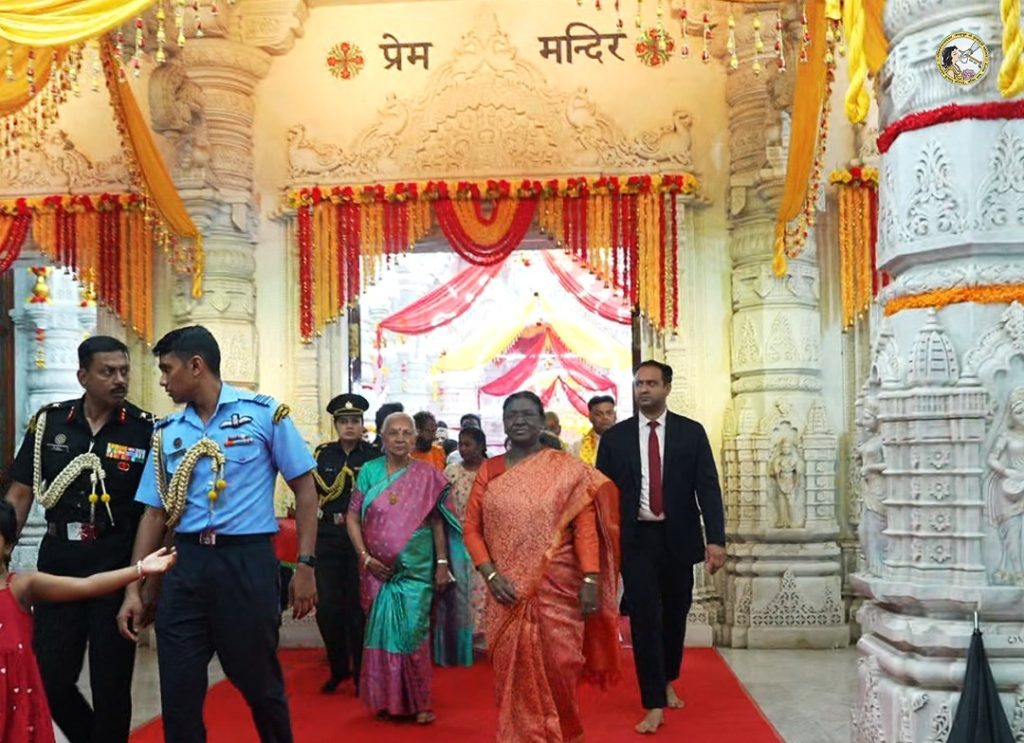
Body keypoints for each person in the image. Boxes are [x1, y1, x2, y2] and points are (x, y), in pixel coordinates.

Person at [116, 325, 319, 743]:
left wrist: (305, 564)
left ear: (196, 366)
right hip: (187, 565)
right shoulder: (167, 432)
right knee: (179, 693)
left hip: (246, 564)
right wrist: (136, 587)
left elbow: (306, 493)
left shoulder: (265, 415)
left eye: (167, 369)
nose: (162, 379)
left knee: (259, 684)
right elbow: (155, 515)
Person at [4, 335, 154, 743]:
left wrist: (141, 585)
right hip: (60, 561)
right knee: (50, 676)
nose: (119, 379)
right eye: (108, 372)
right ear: (83, 376)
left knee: (111, 685)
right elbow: (20, 495)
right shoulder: (50, 424)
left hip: (115, 561)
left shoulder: (145, 430)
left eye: (124, 371)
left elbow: (153, 515)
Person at [463, 391, 621, 743]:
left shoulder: (566, 469)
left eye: (527, 414)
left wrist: (592, 577)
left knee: (561, 666)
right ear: (503, 423)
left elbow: (584, 528)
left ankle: (563, 732)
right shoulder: (490, 470)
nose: (519, 420)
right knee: (510, 672)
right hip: (504, 592)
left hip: (558, 588)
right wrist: (489, 574)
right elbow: (471, 529)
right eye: (512, 415)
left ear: (540, 420)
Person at [595, 360, 726, 735]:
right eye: (639, 384)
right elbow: (601, 495)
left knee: (674, 614)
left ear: (667, 388)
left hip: (680, 538)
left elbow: (708, 487)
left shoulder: (691, 433)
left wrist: (716, 539)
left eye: (652, 383)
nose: (644, 390)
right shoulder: (616, 438)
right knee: (644, 620)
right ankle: (652, 701)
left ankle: (668, 677)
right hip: (636, 542)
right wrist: (601, 541)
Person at [0, 500, 177, 743]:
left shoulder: (20, 587)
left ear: (8, 544)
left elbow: (88, 585)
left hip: (16, 709)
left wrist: (139, 569)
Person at [346, 412, 461, 724]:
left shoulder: (428, 475)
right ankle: (388, 699)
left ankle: (420, 701)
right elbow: (352, 517)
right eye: (392, 433)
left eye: (405, 433)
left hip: (417, 568)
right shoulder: (368, 472)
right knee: (382, 635)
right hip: (376, 571)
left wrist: (441, 564)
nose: (399, 438)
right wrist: (365, 558)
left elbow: (438, 521)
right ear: (382, 438)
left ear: (415, 438)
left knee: (413, 632)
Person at [313, 393, 381, 694]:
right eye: (344, 421)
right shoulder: (323, 455)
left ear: (362, 424)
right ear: (336, 424)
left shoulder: (373, 457)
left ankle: (362, 673)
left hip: (360, 539)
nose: (350, 426)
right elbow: (312, 495)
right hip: (328, 537)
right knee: (327, 606)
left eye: (355, 421)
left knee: (357, 608)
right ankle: (338, 668)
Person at [436, 427, 488, 661]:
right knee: (459, 591)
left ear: (481, 446)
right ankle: (459, 642)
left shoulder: (491, 471)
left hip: (485, 539)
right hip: (456, 539)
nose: (463, 449)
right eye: (460, 444)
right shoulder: (451, 472)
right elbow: (441, 506)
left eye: (468, 444)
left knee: (483, 590)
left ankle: (483, 639)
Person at [572, 395, 617, 465]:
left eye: (609, 413)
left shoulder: (628, 442)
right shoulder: (577, 448)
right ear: (590, 417)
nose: (605, 417)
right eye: (598, 414)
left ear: (615, 416)